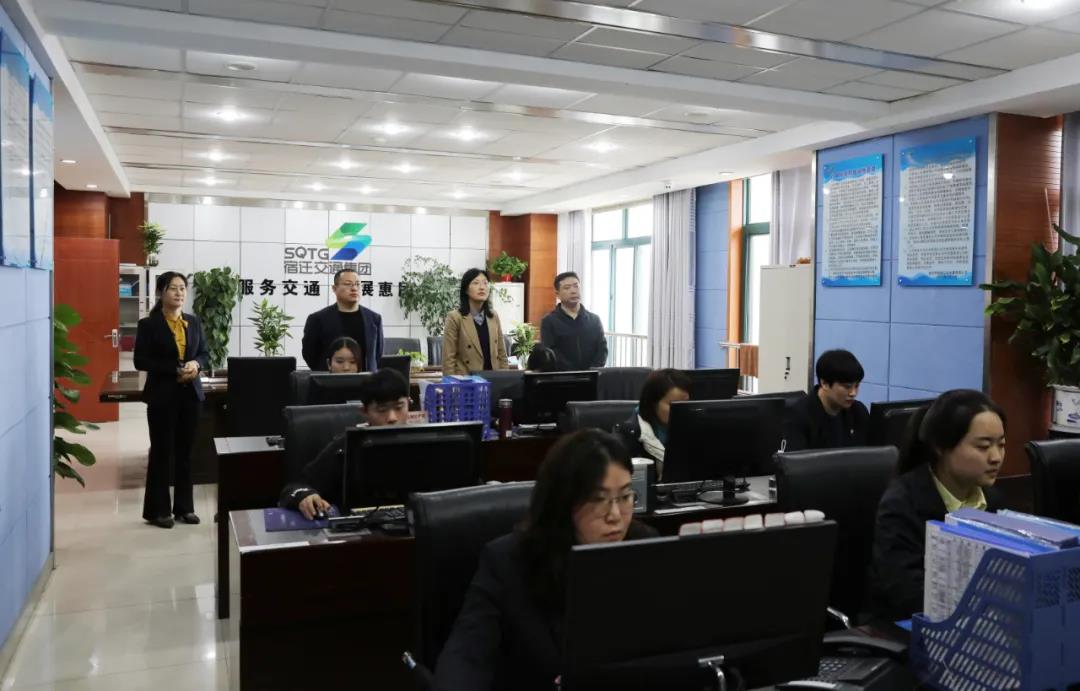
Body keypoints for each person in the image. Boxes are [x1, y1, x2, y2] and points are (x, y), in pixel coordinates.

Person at [433, 429, 657, 691]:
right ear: (563, 502)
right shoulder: (509, 563)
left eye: (625, 496)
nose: (615, 515)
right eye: (599, 499)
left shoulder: (645, 547)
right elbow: (467, 659)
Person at [866, 389, 1006, 622]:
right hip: (905, 627)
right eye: (983, 447)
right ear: (940, 446)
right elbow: (907, 594)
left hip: (978, 624)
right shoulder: (901, 504)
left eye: (1001, 445)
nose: (996, 457)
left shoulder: (993, 501)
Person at [279, 368, 410, 519]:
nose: (392, 418)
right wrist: (306, 495)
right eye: (382, 410)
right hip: (360, 528)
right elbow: (295, 487)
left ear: (409, 403)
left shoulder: (423, 442)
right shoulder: (346, 446)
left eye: (399, 407)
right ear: (365, 412)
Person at [133, 271, 210, 529]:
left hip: (191, 396)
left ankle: (185, 508)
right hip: (162, 397)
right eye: (173, 288)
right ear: (161, 292)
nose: (179, 293)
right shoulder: (149, 324)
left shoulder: (193, 322)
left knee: (186, 453)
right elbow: (140, 360)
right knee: (162, 452)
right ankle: (158, 510)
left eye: (182, 288)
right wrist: (174, 369)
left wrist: (196, 365)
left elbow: (204, 353)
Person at [785, 349, 870, 451]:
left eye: (856, 386)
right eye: (847, 387)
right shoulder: (798, 416)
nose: (853, 393)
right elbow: (795, 459)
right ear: (824, 383)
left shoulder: (858, 411)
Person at [301, 268, 383, 372]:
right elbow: (309, 355)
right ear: (334, 288)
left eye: (357, 284)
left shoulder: (374, 319)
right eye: (348, 284)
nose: (354, 288)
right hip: (329, 379)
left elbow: (377, 354)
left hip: (367, 379)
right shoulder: (317, 319)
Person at [443, 268, 510, 375]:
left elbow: (502, 353)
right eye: (476, 283)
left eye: (485, 283)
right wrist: (451, 382)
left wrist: (505, 378)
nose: (482, 287)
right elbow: (448, 359)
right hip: (466, 380)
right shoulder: (455, 317)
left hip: (493, 378)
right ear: (466, 290)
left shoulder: (493, 316)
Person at [539, 272, 607, 371]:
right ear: (557, 294)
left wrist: (592, 371)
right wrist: (573, 373)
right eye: (567, 288)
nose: (573, 291)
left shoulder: (594, 320)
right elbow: (550, 352)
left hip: (592, 376)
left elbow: (602, 349)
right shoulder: (549, 321)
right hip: (562, 376)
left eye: (576, 286)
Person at [629, 369, 691, 478]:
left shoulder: (692, 428)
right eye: (673, 405)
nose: (681, 411)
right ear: (653, 403)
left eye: (685, 404)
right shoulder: (630, 435)